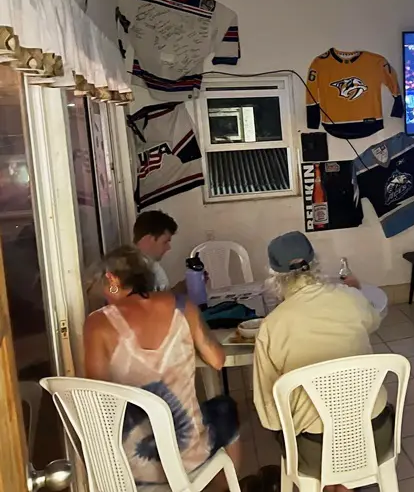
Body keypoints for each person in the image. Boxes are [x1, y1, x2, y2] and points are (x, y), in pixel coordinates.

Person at [83, 245, 240, 490]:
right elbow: (217, 361)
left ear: (112, 280)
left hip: (130, 463)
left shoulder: (98, 323)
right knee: (225, 408)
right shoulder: (182, 306)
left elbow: (98, 400)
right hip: (186, 452)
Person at [253, 231, 390, 491]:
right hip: (375, 435)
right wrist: (355, 291)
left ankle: (332, 483)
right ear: (314, 261)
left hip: (317, 447)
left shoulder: (271, 327)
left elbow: (269, 414)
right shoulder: (350, 297)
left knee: (294, 427)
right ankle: (344, 483)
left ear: (274, 274)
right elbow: (372, 321)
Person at [133, 210, 178, 292]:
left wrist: (184, 286)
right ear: (149, 239)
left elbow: (162, 299)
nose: (168, 247)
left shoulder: (152, 265)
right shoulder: (132, 273)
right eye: (165, 242)